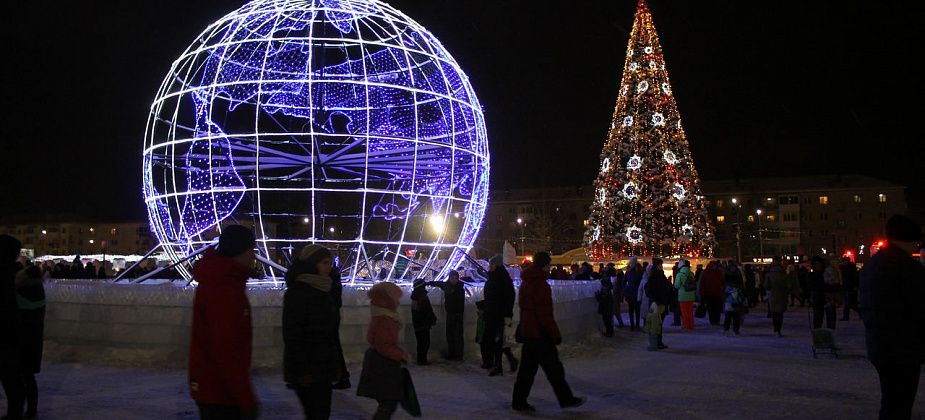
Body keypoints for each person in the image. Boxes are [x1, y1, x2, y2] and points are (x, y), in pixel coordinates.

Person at [188, 225, 259, 420]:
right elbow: (226, 347)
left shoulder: (222, 281)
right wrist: (245, 397)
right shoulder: (224, 287)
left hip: (216, 389)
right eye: (251, 250)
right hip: (221, 393)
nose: (254, 256)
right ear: (239, 251)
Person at [860, 215, 925, 420]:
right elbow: (919, 307)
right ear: (908, 240)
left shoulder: (874, 264)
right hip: (903, 346)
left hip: (880, 344)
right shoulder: (906, 267)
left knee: (891, 401)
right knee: (899, 403)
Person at [511, 251, 585, 413]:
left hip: (529, 332)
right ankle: (566, 399)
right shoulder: (541, 285)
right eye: (548, 265)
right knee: (554, 369)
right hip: (541, 335)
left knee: (527, 370)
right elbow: (544, 314)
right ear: (544, 265)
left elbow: (526, 309)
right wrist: (554, 334)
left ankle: (518, 401)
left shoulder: (526, 282)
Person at [283, 244, 340, 419]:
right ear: (311, 264)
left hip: (323, 364)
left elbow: (329, 332)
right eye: (324, 263)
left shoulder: (325, 288)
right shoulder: (298, 292)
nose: (329, 267)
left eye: (330, 262)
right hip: (308, 368)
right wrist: (303, 370)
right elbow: (293, 333)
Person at [356, 282, 408, 420]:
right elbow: (383, 345)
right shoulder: (385, 319)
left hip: (381, 362)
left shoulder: (382, 315)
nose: (398, 301)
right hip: (383, 365)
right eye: (396, 298)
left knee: (387, 401)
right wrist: (400, 354)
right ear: (387, 300)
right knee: (388, 402)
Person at [1, 235, 25, 420]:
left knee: (12, 380)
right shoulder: (14, 274)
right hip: (11, 334)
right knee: (13, 380)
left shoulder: (11, 275)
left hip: (7, 335)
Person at [483, 255, 516, 376]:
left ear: (496, 266)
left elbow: (509, 297)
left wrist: (507, 315)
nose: (489, 267)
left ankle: (498, 366)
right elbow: (490, 297)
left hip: (499, 315)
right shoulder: (493, 277)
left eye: (491, 265)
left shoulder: (503, 279)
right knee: (496, 341)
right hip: (491, 314)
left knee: (497, 341)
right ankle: (510, 360)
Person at [426, 270, 466, 361]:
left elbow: (460, 303)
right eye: (452, 278)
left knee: (458, 335)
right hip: (450, 314)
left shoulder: (460, 288)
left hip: (457, 315)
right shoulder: (447, 285)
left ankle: (459, 355)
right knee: (450, 335)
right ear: (449, 278)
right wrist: (429, 283)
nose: (454, 280)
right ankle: (452, 353)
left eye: (456, 278)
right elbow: (439, 283)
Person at [328, 264, 351, 390]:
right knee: (334, 346)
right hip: (332, 315)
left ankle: (341, 376)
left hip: (330, 316)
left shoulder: (329, 279)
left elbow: (335, 299)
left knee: (333, 346)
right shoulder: (333, 277)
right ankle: (341, 376)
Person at [645, 258, 673, 349]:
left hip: (661, 302)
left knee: (659, 323)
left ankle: (658, 341)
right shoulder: (654, 276)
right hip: (657, 303)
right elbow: (650, 290)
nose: (661, 266)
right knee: (656, 324)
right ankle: (655, 342)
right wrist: (655, 300)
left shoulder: (660, 275)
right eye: (660, 265)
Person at [410, 279, 437, 366]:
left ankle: (421, 359)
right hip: (423, 323)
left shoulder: (415, 296)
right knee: (424, 342)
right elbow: (427, 310)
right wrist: (431, 318)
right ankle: (422, 360)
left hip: (418, 323)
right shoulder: (421, 296)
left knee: (421, 342)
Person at [764, 256, 789, 337]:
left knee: (774, 313)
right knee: (780, 313)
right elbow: (787, 284)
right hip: (781, 294)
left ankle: (776, 328)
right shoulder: (783, 272)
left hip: (772, 295)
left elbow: (766, 285)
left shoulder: (769, 273)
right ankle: (779, 329)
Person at [809, 256, 836, 329]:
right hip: (818, 298)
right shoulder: (812, 275)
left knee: (830, 317)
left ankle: (830, 332)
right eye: (816, 265)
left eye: (819, 264)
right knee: (818, 317)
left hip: (827, 297)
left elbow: (832, 284)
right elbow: (811, 286)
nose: (818, 266)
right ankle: (818, 332)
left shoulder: (826, 273)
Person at [699, 261, 726, 326]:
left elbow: (702, 282)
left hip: (711, 293)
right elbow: (722, 281)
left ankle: (714, 320)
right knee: (714, 308)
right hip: (714, 293)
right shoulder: (718, 272)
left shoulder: (706, 272)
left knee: (713, 308)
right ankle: (715, 320)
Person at [674, 260, 696, 330]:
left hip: (683, 296)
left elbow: (676, 286)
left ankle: (686, 326)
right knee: (690, 312)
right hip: (691, 295)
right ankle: (691, 325)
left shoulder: (679, 274)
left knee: (684, 312)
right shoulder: (691, 273)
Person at [723, 272, 746, 336]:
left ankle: (727, 329)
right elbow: (741, 295)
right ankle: (735, 329)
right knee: (735, 317)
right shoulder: (738, 287)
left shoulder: (727, 287)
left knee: (728, 317)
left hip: (729, 303)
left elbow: (725, 295)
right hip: (736, 303)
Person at [624, 258, 643, 330]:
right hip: (631, 293)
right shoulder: (629, 272)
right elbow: (624, 281)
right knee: (632, 309)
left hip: (636, 292)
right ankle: (633, 325)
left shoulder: (638, 271)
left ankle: (636, 324)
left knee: (636, 309)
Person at [839, 257, 860, 321]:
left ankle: (846, 316)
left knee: (849, 303)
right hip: (847, 287)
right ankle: (846, 316)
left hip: (850, 287)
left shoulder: (850, 268)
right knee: (850, 303)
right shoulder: (845, 268)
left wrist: (855, 286)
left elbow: (854, 278)